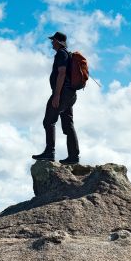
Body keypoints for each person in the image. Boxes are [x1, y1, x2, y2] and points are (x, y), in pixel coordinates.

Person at [32, 31, 80, 164]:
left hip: (62, 93)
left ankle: (49, 152)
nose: (51, 43)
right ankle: (73, 157)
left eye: (53, 40)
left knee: (48, 121)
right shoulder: (69, 55)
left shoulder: (61, 54)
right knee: (68, 124)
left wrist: (56, 95)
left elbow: (62, 73)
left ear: (58, 42)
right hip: (70, 95)